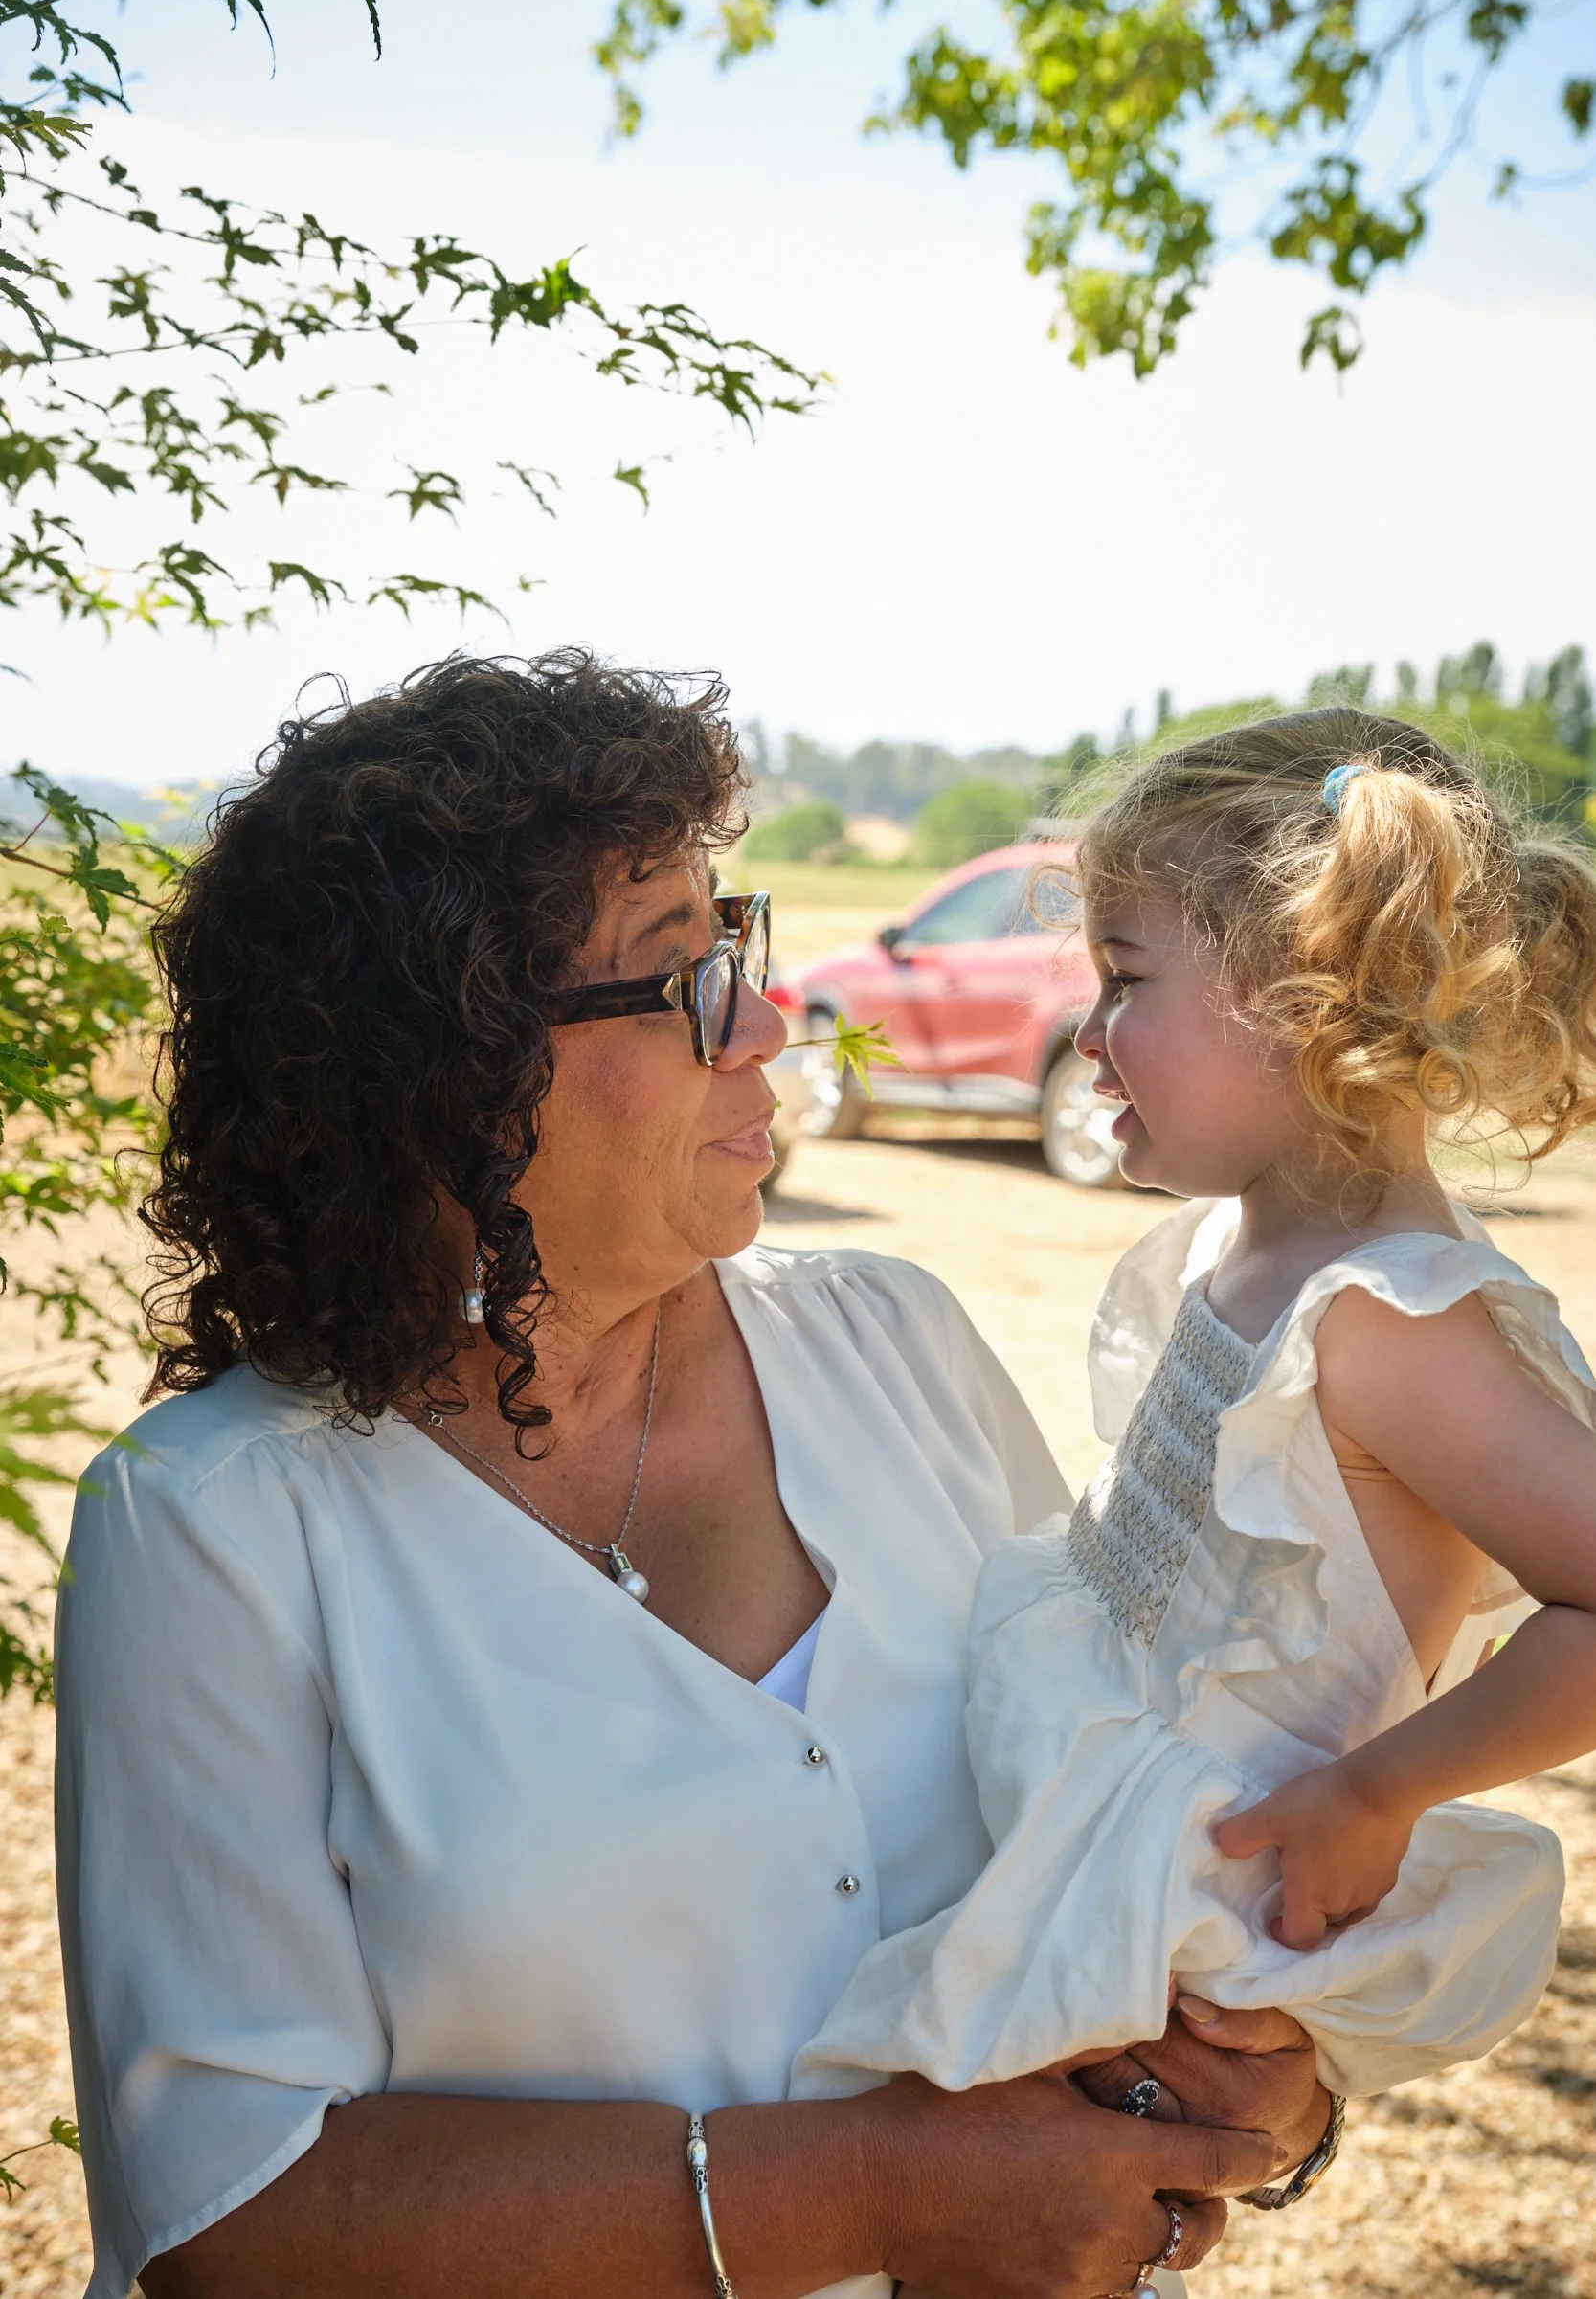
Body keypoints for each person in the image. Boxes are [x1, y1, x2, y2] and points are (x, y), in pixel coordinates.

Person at [54, 657, 1425, 2299]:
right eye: (679, 977)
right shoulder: (212, 1528)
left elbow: (1134, 1803)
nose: (769, 1023)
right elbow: (228, 2217)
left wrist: (1247, 2082)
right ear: (449, 1070)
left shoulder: (895, 1346)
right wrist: (870, 2196)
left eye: (736, 947)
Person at [795, 706, 1596, 2130]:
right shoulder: (1239, 1253)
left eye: (1123, 979)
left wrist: (1376, 1796)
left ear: (1311, 1005)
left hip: (1182, 1906)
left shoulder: (1387, 1323)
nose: (1087, 1037)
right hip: (1082, 1808)